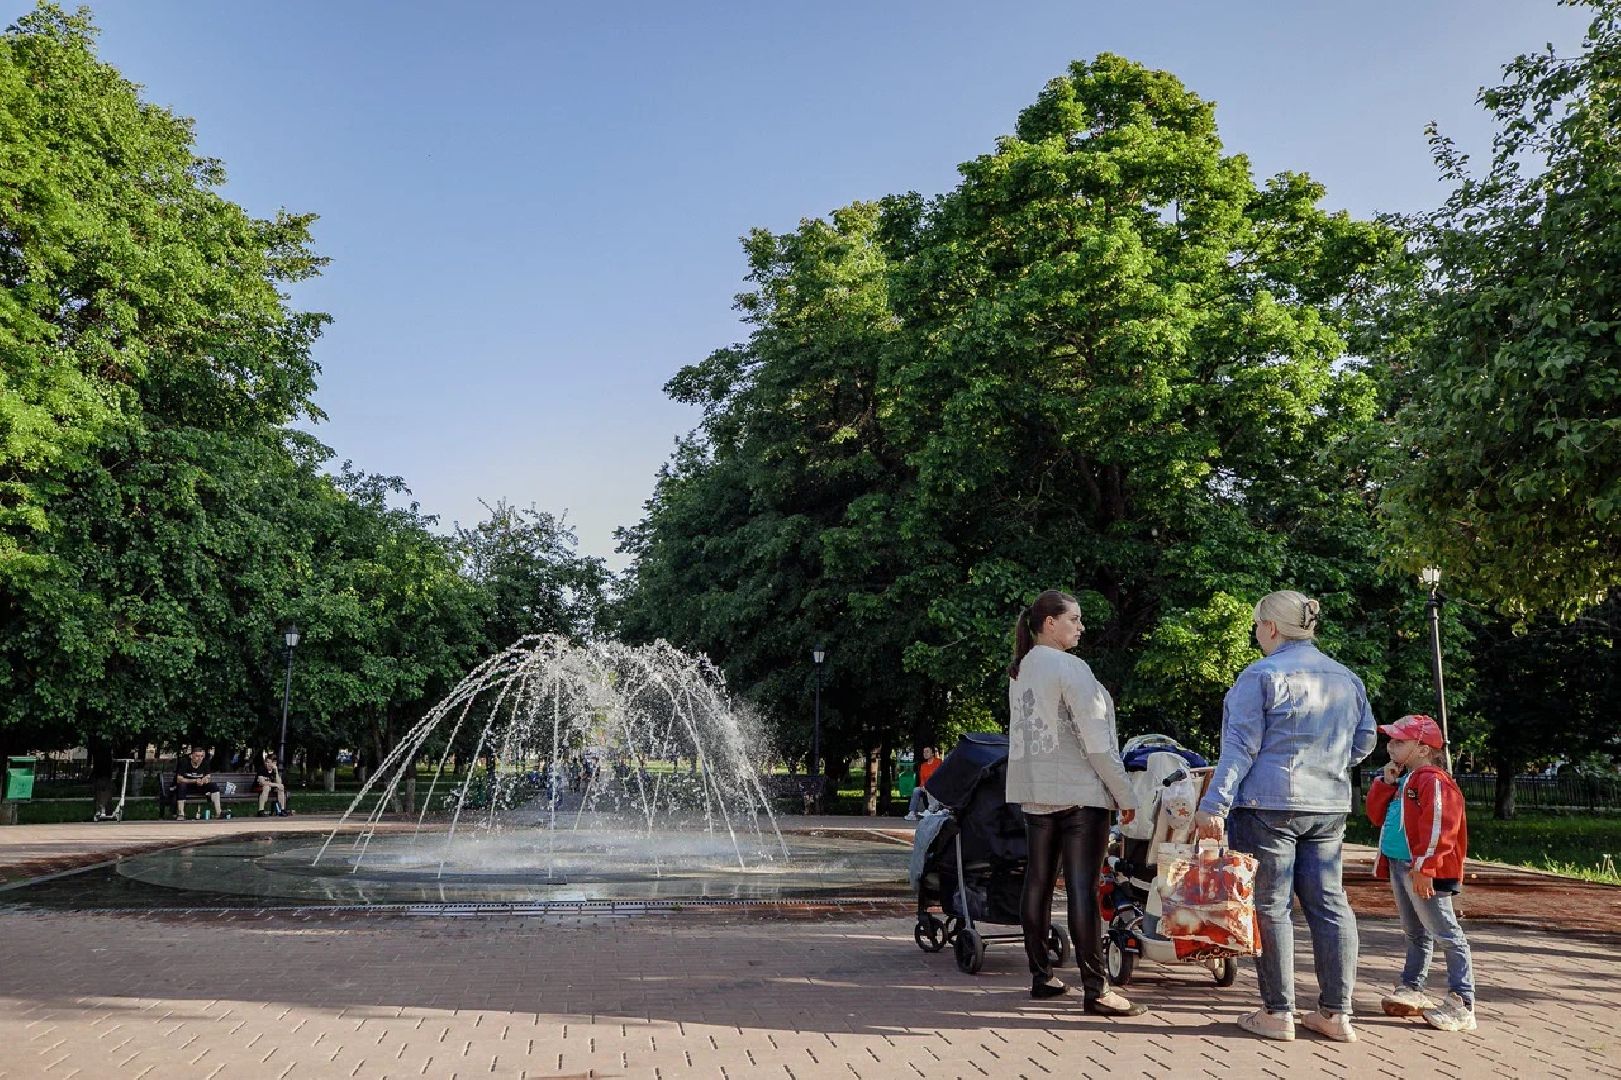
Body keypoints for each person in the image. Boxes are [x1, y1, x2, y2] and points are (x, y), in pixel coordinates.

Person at [1194, 590, 1376, 1043]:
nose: (1257, 633)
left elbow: (1239, 748)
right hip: (1328, 803)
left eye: (1257, 625)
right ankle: (1336, 1014)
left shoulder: (1260, 675)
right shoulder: (1346, 677)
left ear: (1271, 627)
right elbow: (1366, 738)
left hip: (1266, 805)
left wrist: (1213, 804)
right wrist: (1332, 763)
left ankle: (1279, 1012)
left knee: (1272, 906)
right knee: (1330, 904)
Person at [1006, 590, 1145, 1015]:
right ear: (1050, 623)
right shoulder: (1070, 667)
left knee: (1039, 881)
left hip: (1035, 790)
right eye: (1074, 619)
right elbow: (1098, 743)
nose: (1081, 627)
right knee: (1083, 890)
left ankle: (1042, 975)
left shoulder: (1021, 669)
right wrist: (1126, 794)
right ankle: (1096, 989)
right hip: (1080, 793)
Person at [1366, 714, 1477, 1032]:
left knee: (1447, 933)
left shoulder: (1433, 779)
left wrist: (1425, 868)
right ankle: (1412, 987)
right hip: (1402, 865)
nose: (1391, 747)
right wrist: (1385, 784)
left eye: (1400, 742)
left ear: (1424, 748)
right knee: (1415, 932)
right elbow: (1375, 816)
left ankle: (1463, 1003)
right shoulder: (1403, 778)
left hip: (1425, 870)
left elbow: (1442, 826)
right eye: (1391, 740)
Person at [174, 747, 223, 820]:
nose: (199, 758)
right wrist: (194, 780)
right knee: (181, 786)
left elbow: (208, 776)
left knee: (213, 786)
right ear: (191, 756)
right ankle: (181, 813)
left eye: (201, 756)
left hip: (200, 787)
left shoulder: (205, 763)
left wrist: (204, 780)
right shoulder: (184, 763)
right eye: (197, 756)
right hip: (187, 787)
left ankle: (218, 813)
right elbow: (179, 779)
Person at [903, 746, 941, 820]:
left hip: (935, 785)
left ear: (932, 753)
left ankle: (931, 810)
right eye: (924, 752)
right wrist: (923, 786)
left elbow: (939, 776)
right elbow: (922, 779)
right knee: (916, 790)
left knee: (931, 789)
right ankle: (912, 812)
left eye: (927, 751)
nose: (925, 753)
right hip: (926, 786)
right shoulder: (923, 765)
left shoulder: (939, 762)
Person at [255, 751, 289, 816]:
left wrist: (276, 771)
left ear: (274, 763)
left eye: (268, 762)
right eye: (266, 762)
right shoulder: (261, 769)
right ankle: (260, 811)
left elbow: (279, 783)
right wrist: (276, 785)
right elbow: (262, 782)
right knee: (266, 787)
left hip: (271, 788)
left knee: (281, 788)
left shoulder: (274, 770)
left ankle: (282, 810)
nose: (266, 764)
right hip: (258, 787)